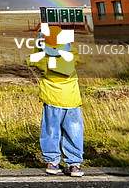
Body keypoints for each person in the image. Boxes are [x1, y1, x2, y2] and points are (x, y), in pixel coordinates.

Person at [27, 23, 84, 177]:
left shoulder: (43, 60)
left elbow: (30, 60)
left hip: (52, 101)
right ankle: (75, 165)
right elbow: (75, 54)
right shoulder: (71, 58)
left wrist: (40, 43)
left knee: (51, 131)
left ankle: (52, 162)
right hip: (72, 101)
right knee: (74, 132)